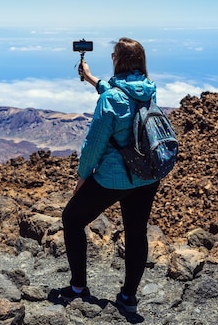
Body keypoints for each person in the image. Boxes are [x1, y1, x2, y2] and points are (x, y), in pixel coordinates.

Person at [61, 37, 160, 314]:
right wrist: (92, 79)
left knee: (72, 218)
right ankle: (129, 298)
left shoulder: (110, 100)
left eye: (114, 54)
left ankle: (78, 287)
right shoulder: (148, 90)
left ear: (119, 60)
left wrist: (83, 176)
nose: (112, 57)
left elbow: (94, 144)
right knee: (136, 231)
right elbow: (120, 95)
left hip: (114, 179)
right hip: (147, 176)